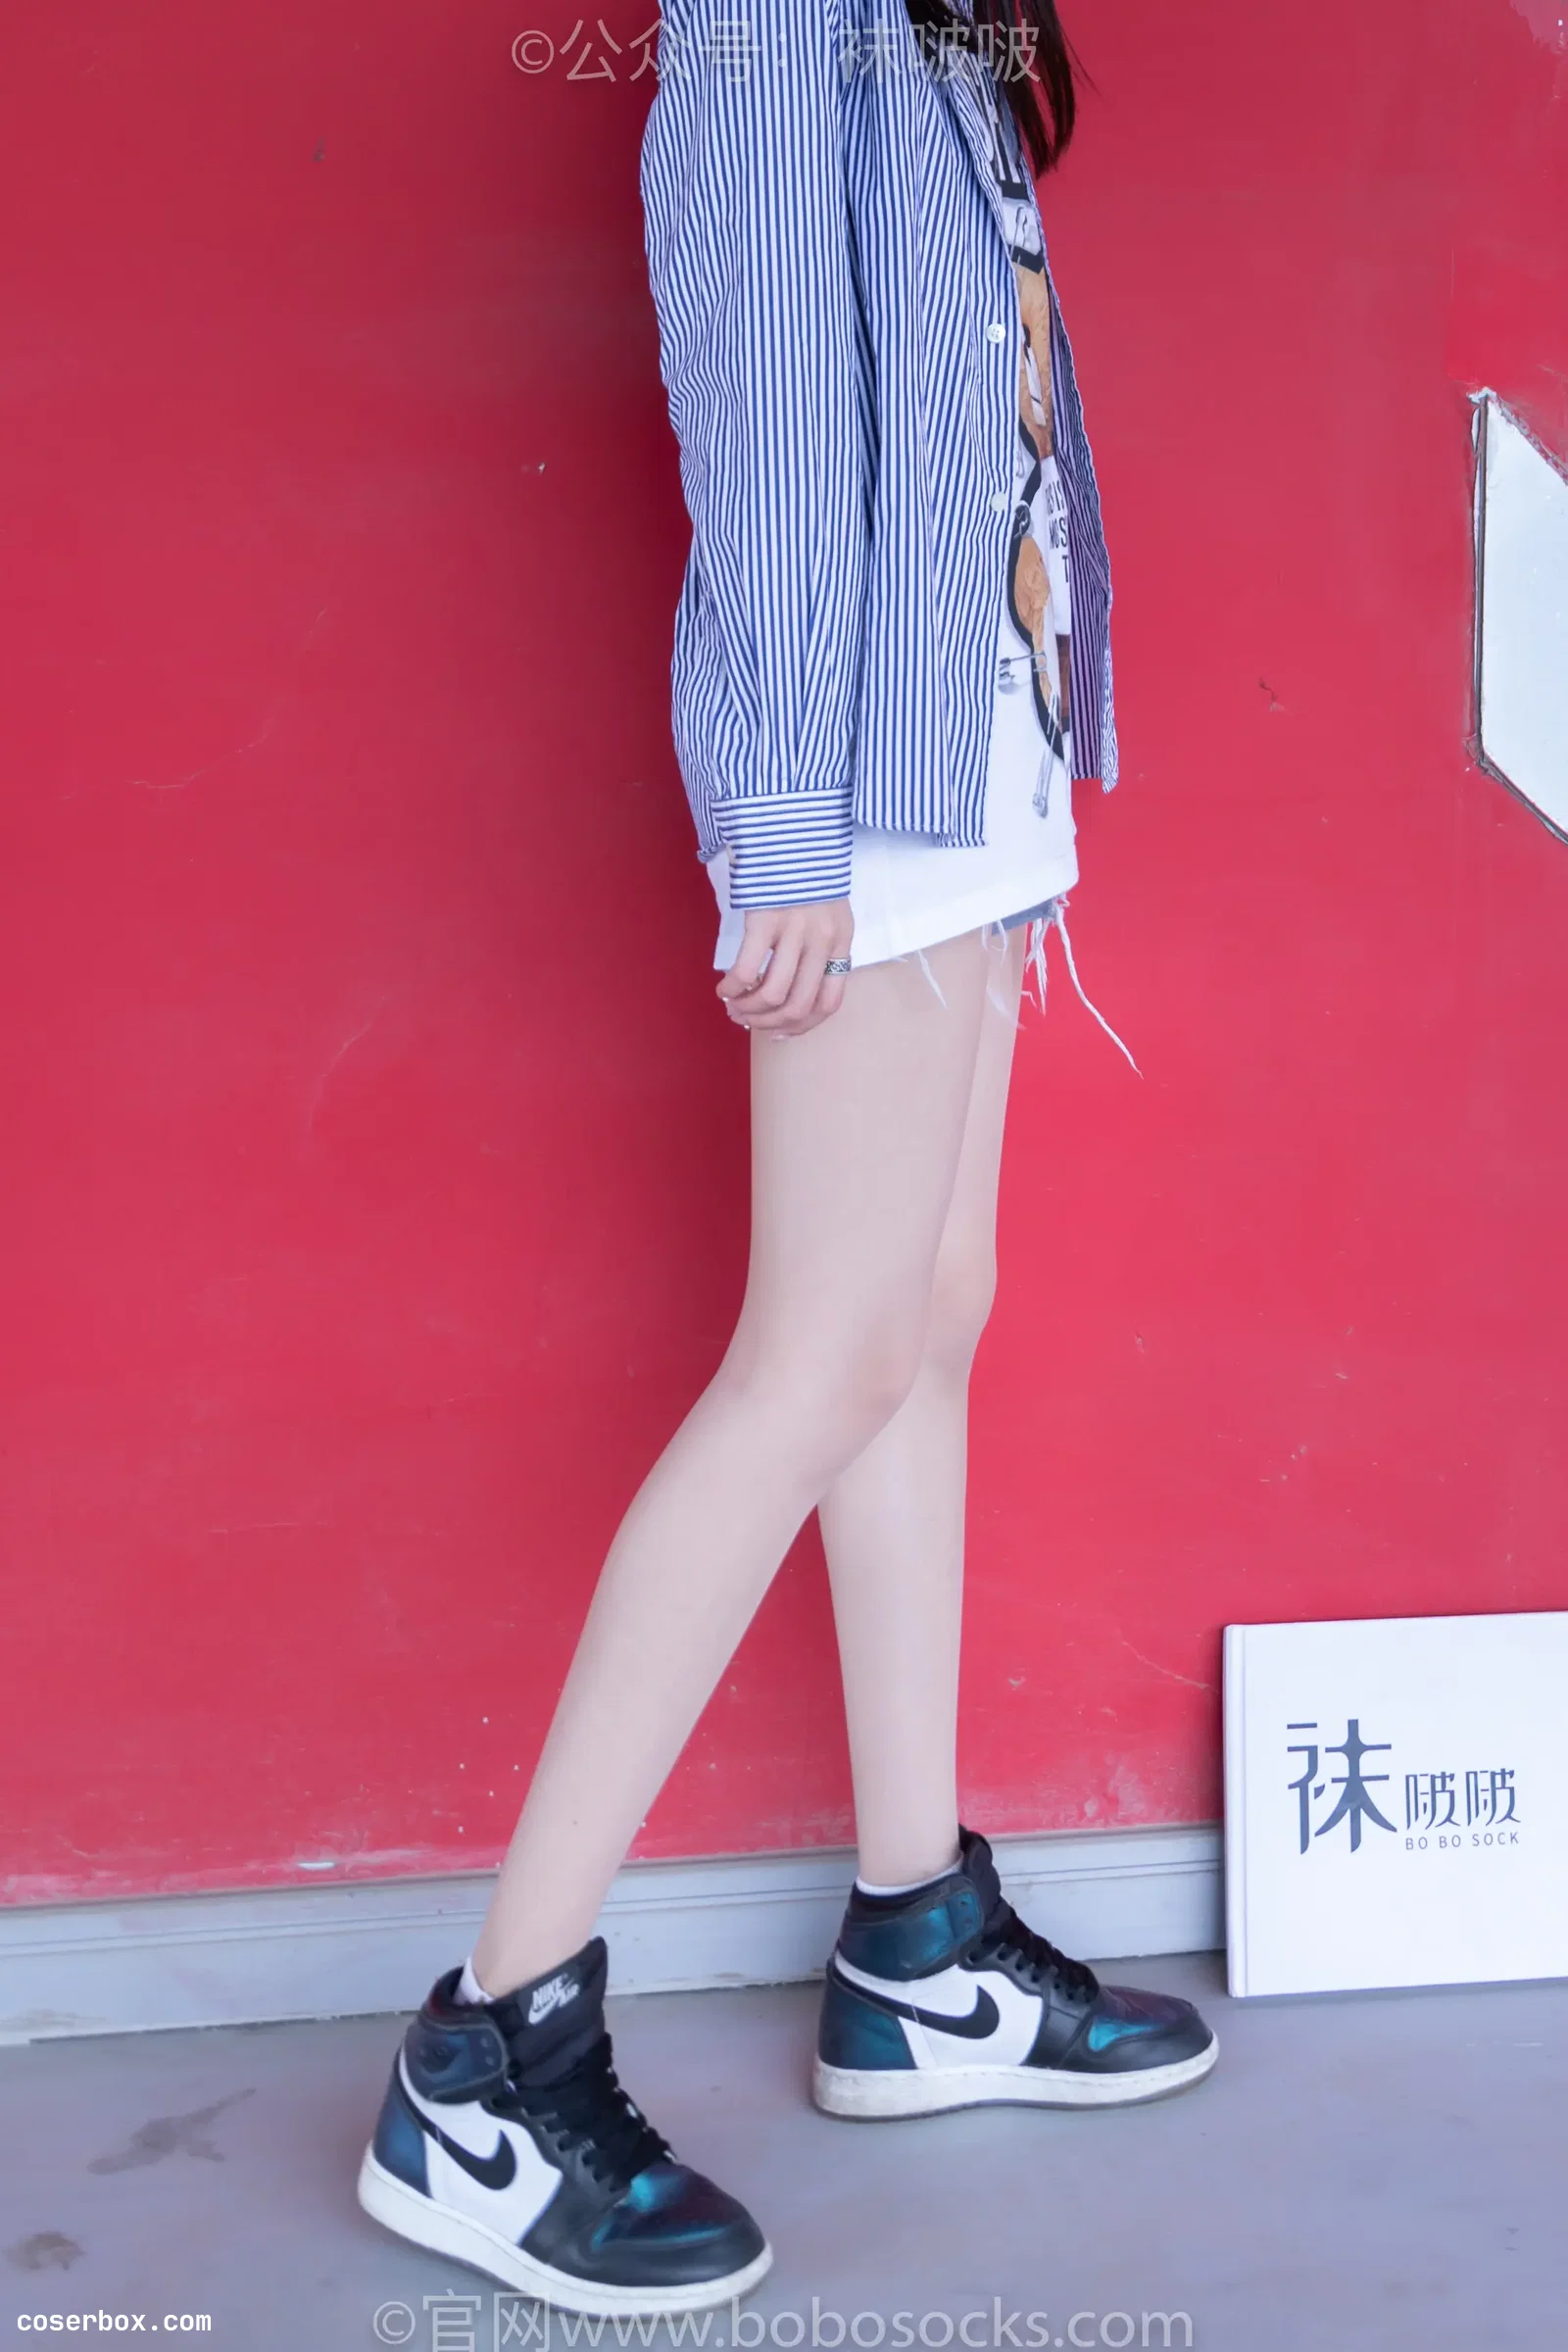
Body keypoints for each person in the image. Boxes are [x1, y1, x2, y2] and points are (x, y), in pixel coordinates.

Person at [356, 0, 1215, 2314]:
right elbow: (751, 413)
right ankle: (483, 2058)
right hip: (856, 788)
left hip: (971, 744)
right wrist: (777, 830)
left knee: (923, 1322)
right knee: (814, 1358)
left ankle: (914, 1949)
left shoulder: (936, 19)